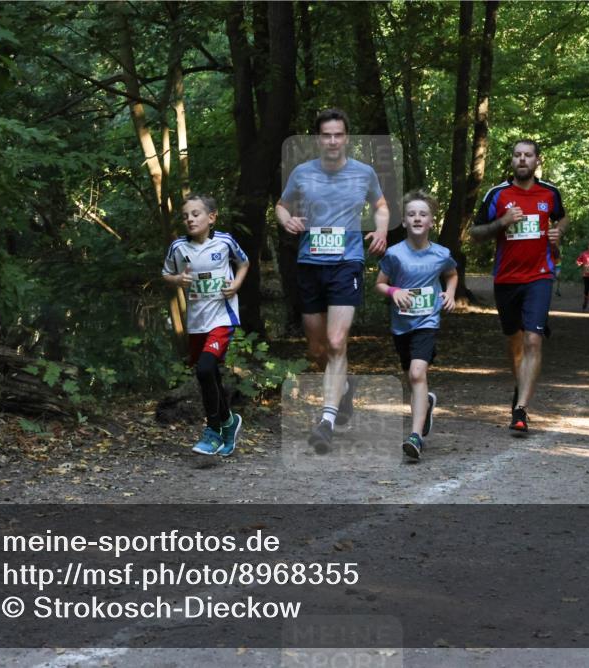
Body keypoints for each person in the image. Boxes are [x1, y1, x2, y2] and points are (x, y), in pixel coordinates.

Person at [276, 108, 390, 453]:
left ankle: (326, 421)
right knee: (317, 349)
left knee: (337, 341)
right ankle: (344, 388)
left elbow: (381, 205)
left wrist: (381, 230)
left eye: (338, 134)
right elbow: (281, 205)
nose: (332, 141)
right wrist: (286, 220)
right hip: (310, 264)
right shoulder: (302, 172)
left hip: (346, 263)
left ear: (347, 138)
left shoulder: (364, 172)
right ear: (318, 139)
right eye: (326, 135)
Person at [468, 139, 569, 434]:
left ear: (537, 160)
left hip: (540, 276)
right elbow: (475, 234)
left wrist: (558, 231)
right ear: (512, 161)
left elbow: (563, 216)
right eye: (517, 155)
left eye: (528, 155)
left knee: (533, 339)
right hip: (506, 278)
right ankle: (520, 387)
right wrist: (502, 222)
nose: (522, 159)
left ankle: (521, 408)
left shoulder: (549, 192)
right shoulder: (497, 194)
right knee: (515, 341)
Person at [162, 194, 249, 456]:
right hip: (197, 322)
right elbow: (166, 274)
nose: (190, 219)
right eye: (185, 216)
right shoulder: (178, 247)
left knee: (204, 369)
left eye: (196, 214)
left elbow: (244, 263)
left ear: (211, 217)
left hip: (222, 318)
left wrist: (236, 284)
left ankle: (212, 431)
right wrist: (178, 280)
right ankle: (229, 422)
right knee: (211, 375)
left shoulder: (225, 241)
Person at [375, 191, 457, 460]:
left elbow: (451, 274)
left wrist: (450, 293)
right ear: (404, 221)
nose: (417, 218)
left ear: (432, 221)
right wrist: (394, 291)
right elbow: (380, 283)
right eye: (411, 214)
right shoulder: (394, 254)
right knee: (412, 378)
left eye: (423, 214)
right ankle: (426, 405)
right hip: (402, 325)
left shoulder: (441, 254)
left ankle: (415, 436)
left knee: (417, 373)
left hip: (427, 321)